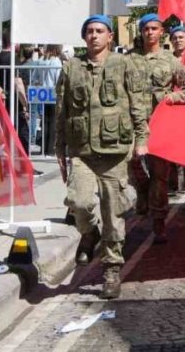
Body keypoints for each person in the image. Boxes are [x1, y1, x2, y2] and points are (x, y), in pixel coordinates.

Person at [55, 15, 149, 299]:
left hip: (114, 152)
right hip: (81, 151)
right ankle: (89, 233)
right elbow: (61, 111)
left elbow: (138, 104)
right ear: (84, 37)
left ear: (110, 37)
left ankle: (111, 269)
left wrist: (142, 140)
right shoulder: (71, 67)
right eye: (89, 31)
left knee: (112, 212)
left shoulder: (124, 64)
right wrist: (59, 148)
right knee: (79, 202)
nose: (94, 35)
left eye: (99, 31)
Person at [131, 14, 185, 234]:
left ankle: (159, 220)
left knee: (159, 175)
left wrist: (170, 97)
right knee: (134, 168)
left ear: (161, 32)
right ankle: (142, 192)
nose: (149, 32)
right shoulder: (128, 60)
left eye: (154, 28)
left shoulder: (170, 61)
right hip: (132, 124)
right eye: (146, 29)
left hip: (158, 125)